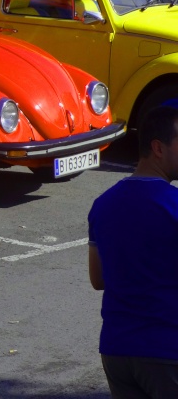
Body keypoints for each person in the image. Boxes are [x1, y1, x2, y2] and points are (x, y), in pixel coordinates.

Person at [87, 104, 178, 398]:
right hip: (166, 351)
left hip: (116, 350)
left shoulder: (102, 204)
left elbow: (98, 279)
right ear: (158, 148)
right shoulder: (174, 205)